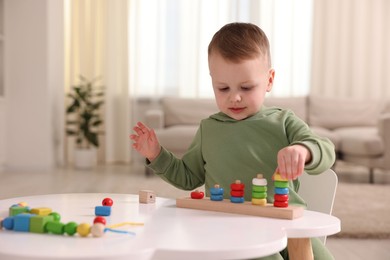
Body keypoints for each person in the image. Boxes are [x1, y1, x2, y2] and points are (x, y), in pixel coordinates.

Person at [130, 22, 336, 260]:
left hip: (286, 225)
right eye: (223, 88)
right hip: (232, 230)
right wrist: (156, 154)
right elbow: (188, 177)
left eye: (246, 87)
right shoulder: (210, 129)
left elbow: (326, 151)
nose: (235, 97)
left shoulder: (283, 121)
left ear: (269, 80)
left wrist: (304, 150)